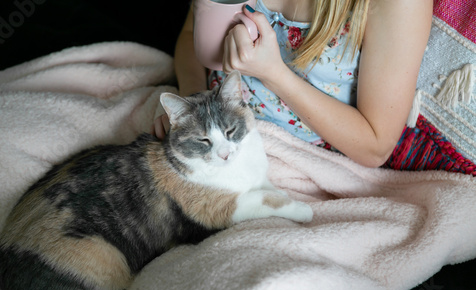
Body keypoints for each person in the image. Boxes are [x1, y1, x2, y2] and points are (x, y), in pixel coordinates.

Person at [152, 0, 476, 176]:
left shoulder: (394, 5)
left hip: (297, 164)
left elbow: (375, 147)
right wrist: (192, 105)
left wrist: (273, 74)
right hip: (206, 136)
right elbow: (192, 29)